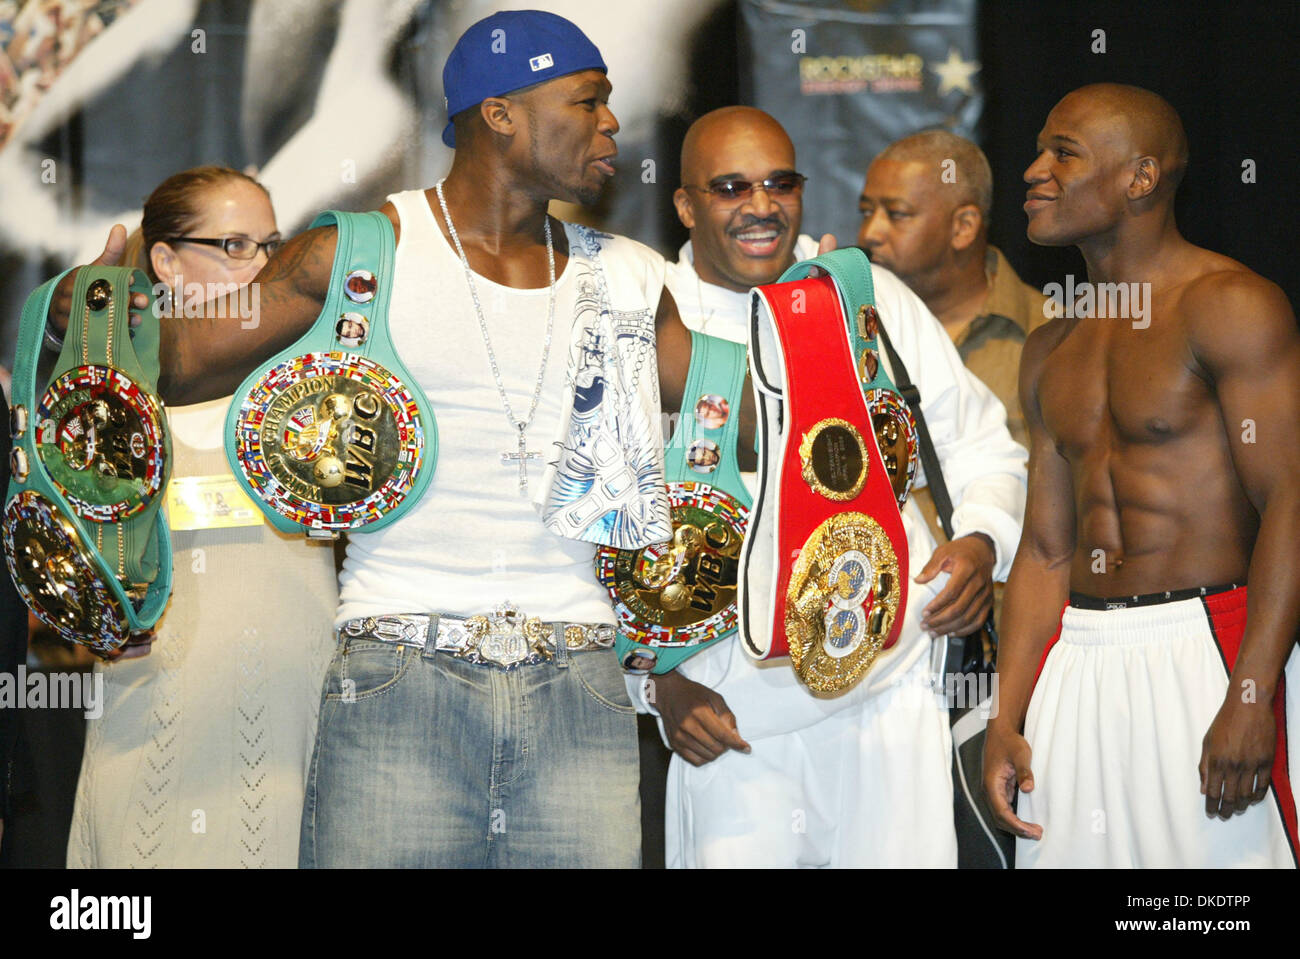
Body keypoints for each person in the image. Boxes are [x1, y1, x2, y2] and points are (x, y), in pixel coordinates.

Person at [49, 10, 688, 868]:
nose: (611, 122)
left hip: (581, 688)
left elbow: (749, 405)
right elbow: (185, 358)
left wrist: (813, 317)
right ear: (500, 113)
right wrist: (89, 313)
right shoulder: (362, 254)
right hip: (397, 681)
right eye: (587, 101)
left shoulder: (634, 277)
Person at [642, 106, 1028, 866]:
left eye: (780, 182)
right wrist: (657, 687)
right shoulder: (646, 316)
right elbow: (597, 524)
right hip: (730, 721)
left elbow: (983, 443)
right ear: (685, 205)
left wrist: (982, 542)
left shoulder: (862, 296)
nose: (761, 206)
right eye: (730, 187)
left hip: (891, 697)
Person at [983, 84, 1300, 868]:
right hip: (1077, 658)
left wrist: (1253, 692)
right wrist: (1005, 714)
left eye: (1064, 152)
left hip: (1209, 650)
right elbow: (1047, 551)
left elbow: (1291, 495)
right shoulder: (1049, 346)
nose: (1034, 170)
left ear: (1140, 177)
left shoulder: (1230, 305)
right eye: (1039, 150)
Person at [66, 166, 338, 868]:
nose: (265, 266)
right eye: (235, 245)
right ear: (164, 260)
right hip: (158, 681)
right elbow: (65, 554)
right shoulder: (107, 379)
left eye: (274, 245)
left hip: (299, 684)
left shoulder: (319, 373)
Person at [858, 132, 1048, 584]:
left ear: (963, 226)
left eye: (896, 214)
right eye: (866, 211)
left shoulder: (1055, 334)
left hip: (1020, 625)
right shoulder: (849, 334)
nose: (870, 234)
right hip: (893, 630)